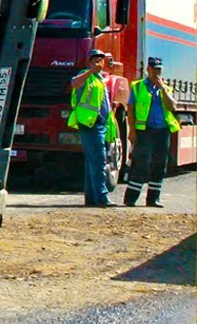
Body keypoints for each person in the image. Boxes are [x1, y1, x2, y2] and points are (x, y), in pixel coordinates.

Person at [122, 57, 181, 207]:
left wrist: (162, 89)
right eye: (154, 69)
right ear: (148, 69)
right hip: (145, 131)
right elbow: (131, 110)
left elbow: (172, 107)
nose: (156, 72)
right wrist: (132, 131)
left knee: (160, 164)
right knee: (140, 163)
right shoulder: (138, 86)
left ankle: (153, 199)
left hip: (162, 131)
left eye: (159, 69)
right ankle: (130, 199)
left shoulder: (166, 88)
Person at [67, 49, 115, 207]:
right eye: (95, 60)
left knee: (92, 162)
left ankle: (91, 197)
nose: (98, 63)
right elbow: (74, 83)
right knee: (99, 160)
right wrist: (90, 71)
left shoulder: (100, 79)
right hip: (89, 123)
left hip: (98, 123)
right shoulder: (86, 75)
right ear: (89, 62)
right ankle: (102, 197)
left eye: (101, 60)